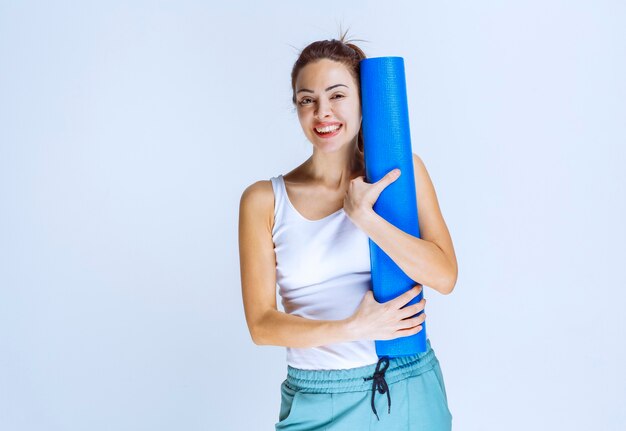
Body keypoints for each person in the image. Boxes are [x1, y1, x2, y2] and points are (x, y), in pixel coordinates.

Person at [238, 30, 458, 430]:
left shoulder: (402, 174)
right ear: (297, 108)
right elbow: (262, 325)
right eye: (308, 100)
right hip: (318, 397)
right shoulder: (264, 200)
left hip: (407, 381)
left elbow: (444, 277)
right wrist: (354, 328)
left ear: (363, 101)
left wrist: (367, 219)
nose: (323, 112)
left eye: (337, 95)